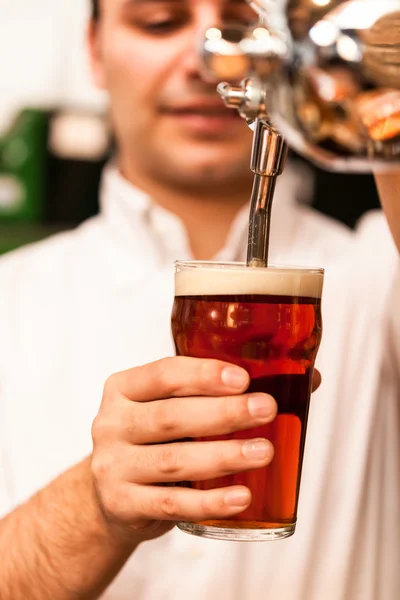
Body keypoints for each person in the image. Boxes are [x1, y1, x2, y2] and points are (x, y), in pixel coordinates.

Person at [0, 1, 399, 599]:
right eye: (160, 22)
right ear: (93, 49)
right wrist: (93, 507)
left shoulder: (381, 272)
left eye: (246, 31)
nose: (210, 62)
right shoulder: (12, 297)